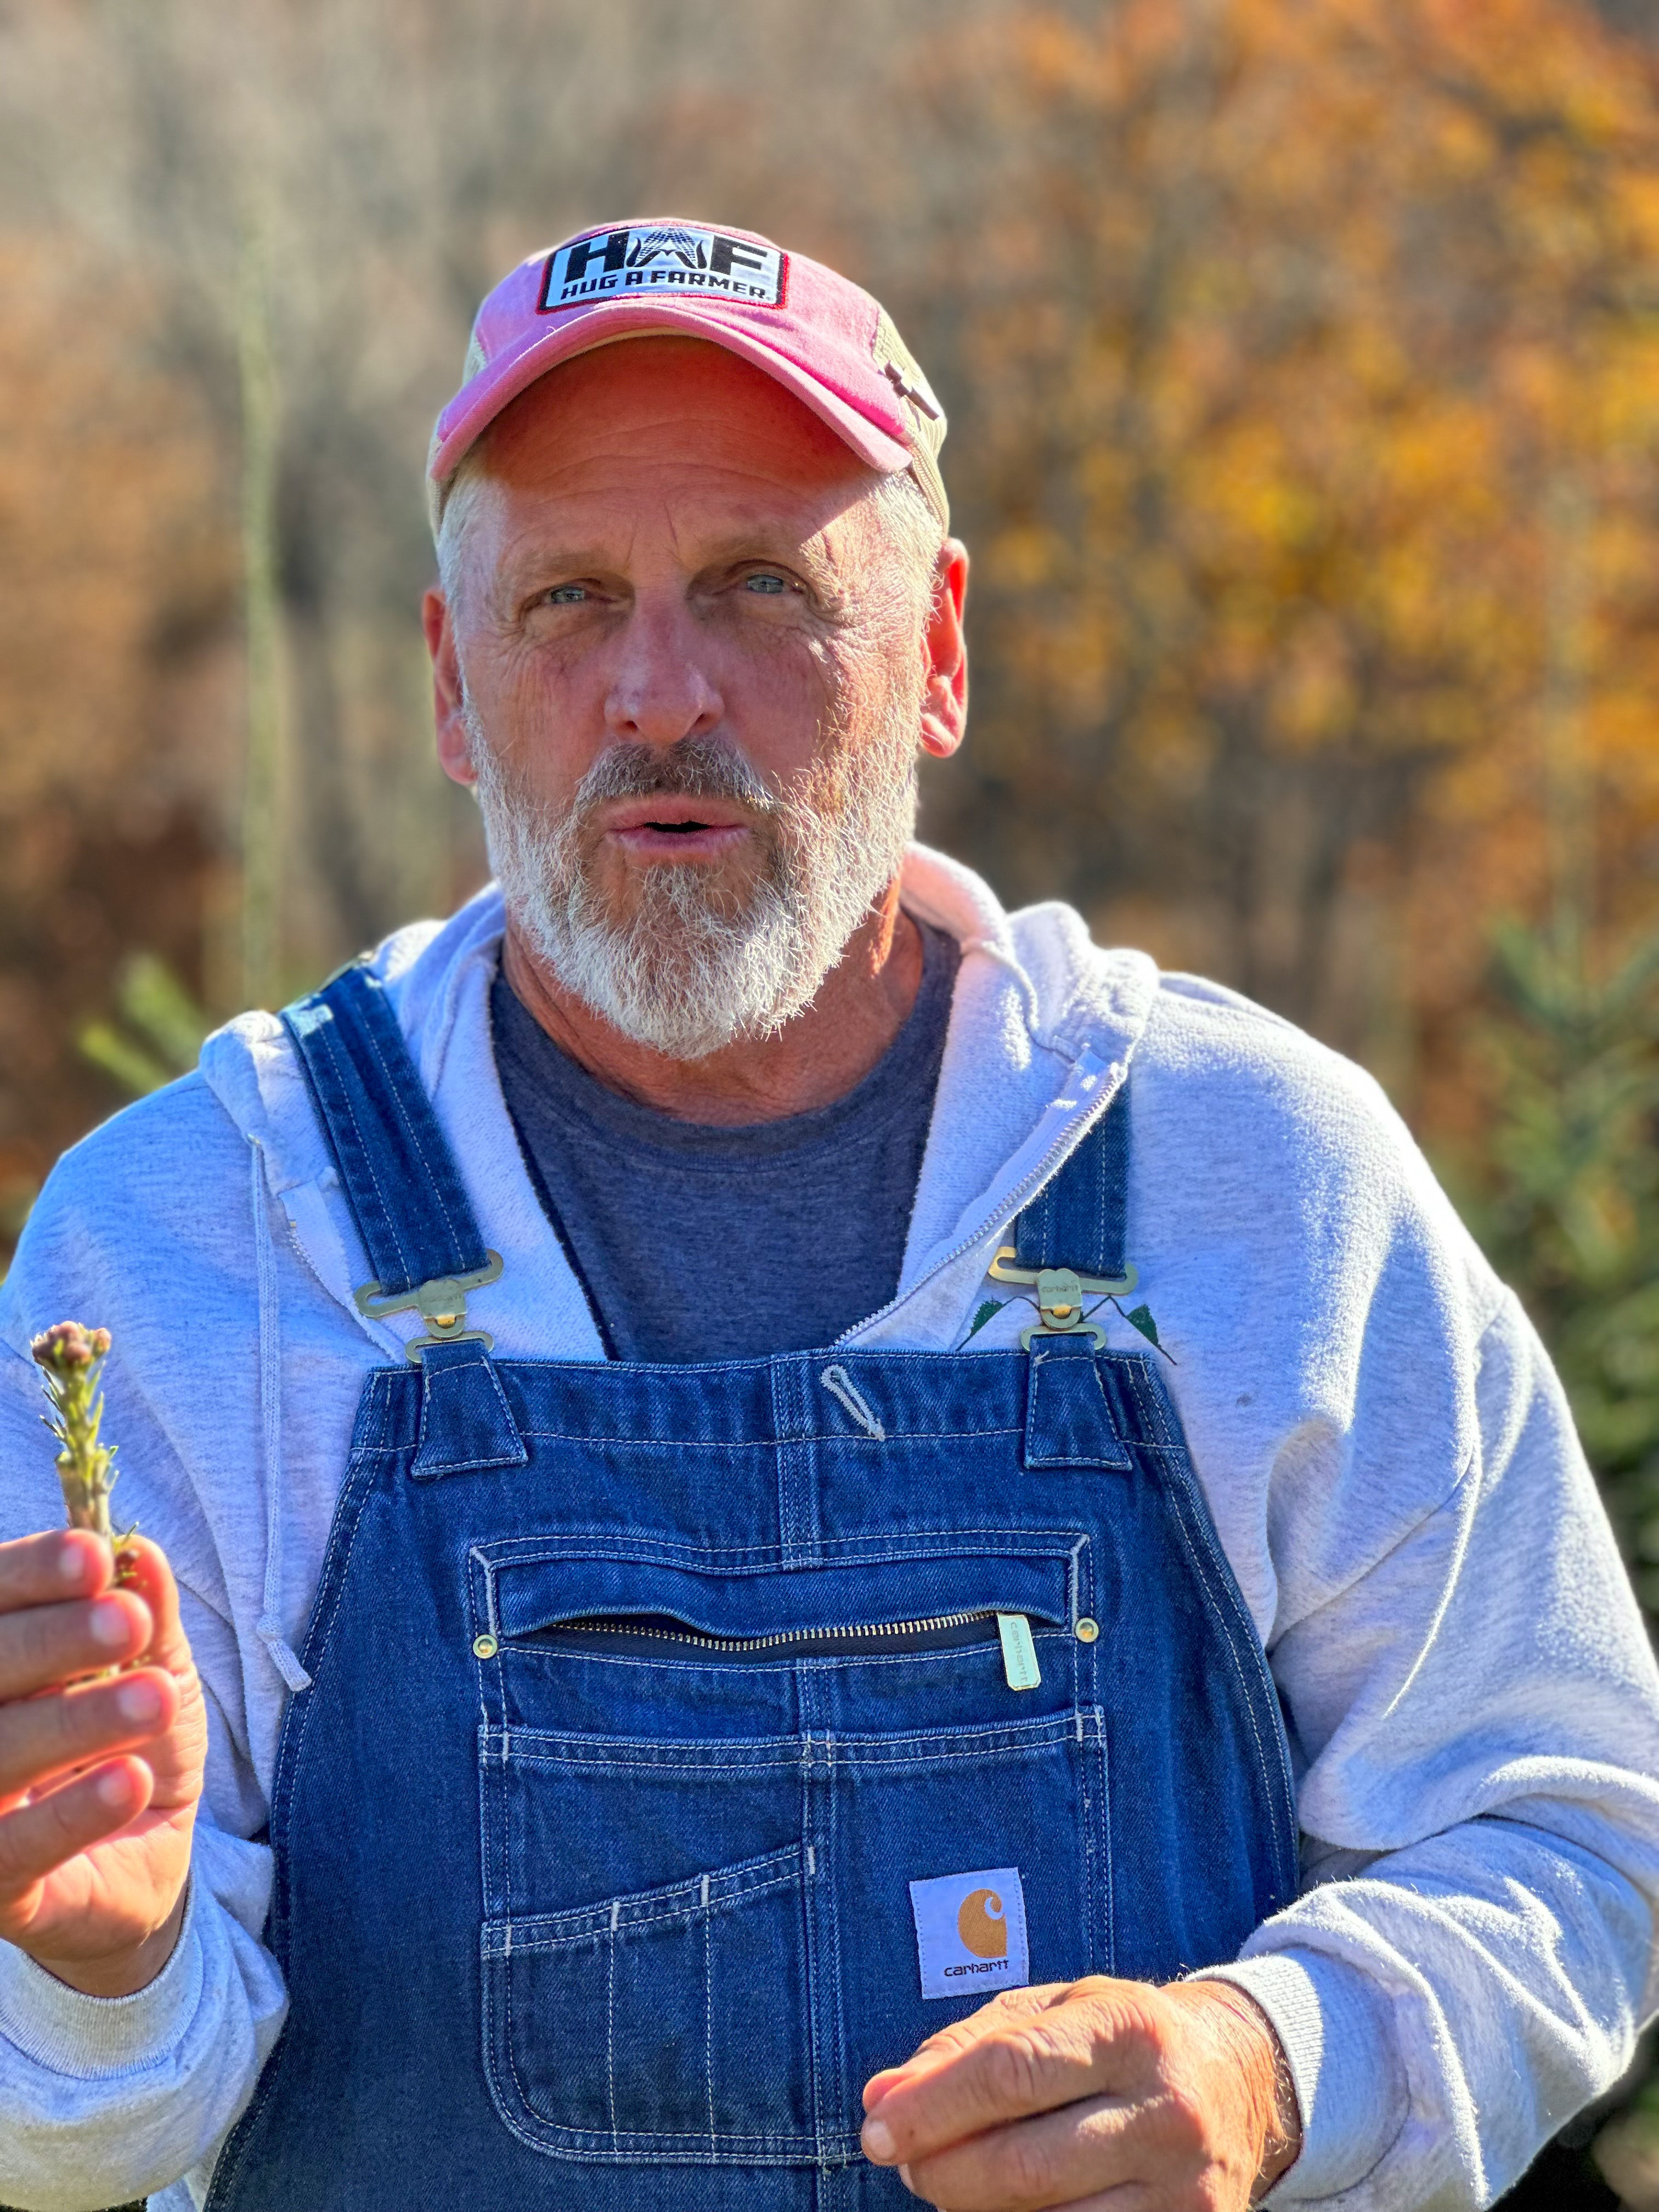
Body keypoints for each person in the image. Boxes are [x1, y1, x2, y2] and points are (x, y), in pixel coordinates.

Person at [0, 217, 1656, 2212]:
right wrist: (92, 1975)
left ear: (940, 652)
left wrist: (1272, 2064)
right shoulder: (197, 1249)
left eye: (762, 588)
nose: (656, 691)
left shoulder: (1257, 1184)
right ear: (453, 687)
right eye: (570, 600)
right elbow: (72, 2145)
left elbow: (1572, 1833)